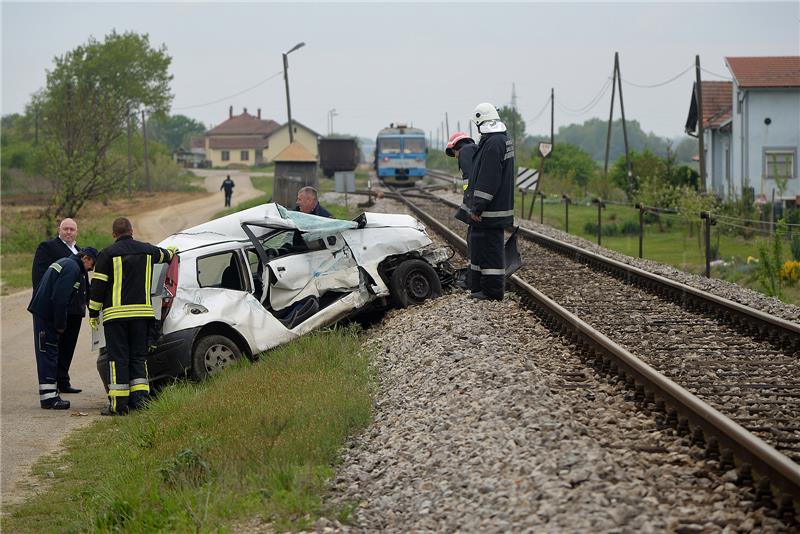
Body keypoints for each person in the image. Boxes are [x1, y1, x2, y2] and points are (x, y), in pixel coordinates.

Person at [88, 218, 177, 416]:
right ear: (132, 231)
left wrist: (93, 313)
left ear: (113, 235)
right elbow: (167, 255)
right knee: (139, 357)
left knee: (118, 359)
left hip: (116, 318)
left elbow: (98, 287)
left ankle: (119, 406)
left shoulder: (107, 254)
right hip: (142, 316)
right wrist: (172, 251)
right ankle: (141, 402)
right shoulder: (147, 250)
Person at [28, 248, 98, 409]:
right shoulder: (72, 268)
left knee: (47, 353)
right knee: (49, 353)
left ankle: (50, 396)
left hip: (43, 313)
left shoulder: (66, 263)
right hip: (47, 316)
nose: (91, 269)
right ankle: (49, 399)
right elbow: (60, 299)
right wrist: (60, 325)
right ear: (86, 258)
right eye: (92, 265)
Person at [31, 218, 86, 393]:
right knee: (52, 346)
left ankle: (63, 380)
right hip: (56, 307)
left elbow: (84, 280)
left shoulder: (80, 251)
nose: (69, 232)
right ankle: (50, 383)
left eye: (72, 229)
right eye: (65, 229)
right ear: (59, 230)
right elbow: (39, 277)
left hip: (75, 308)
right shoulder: (47, 248)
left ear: (76, 232)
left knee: (68, 346)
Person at [467, 102, 515, 301]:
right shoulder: (495, 140)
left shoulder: (494, 142)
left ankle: (493, 292)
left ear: (480, 121)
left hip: (491, 211)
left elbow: (489, 179)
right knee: (481, 246)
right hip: (492, 209)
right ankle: (479, 287)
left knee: (492, 251)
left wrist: (478, 206)